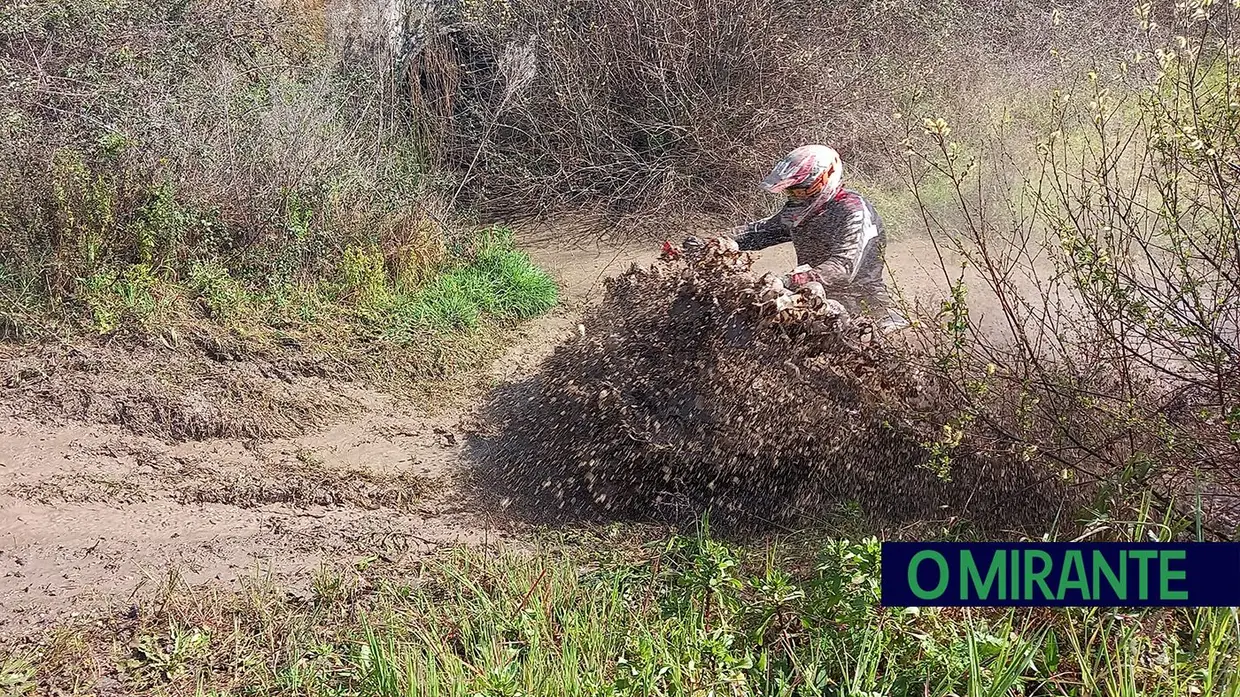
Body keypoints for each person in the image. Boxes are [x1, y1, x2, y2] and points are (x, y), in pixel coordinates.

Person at [726, 144, 908, 333]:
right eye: (791, 191)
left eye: (802, 190)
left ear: (825, 178)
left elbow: (842, 267)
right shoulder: (801, 212)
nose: (797, 196)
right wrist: (719, 243)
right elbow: (758, 232)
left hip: (865, 308)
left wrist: (789, 280)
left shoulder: (853, 211)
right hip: (813, 299)